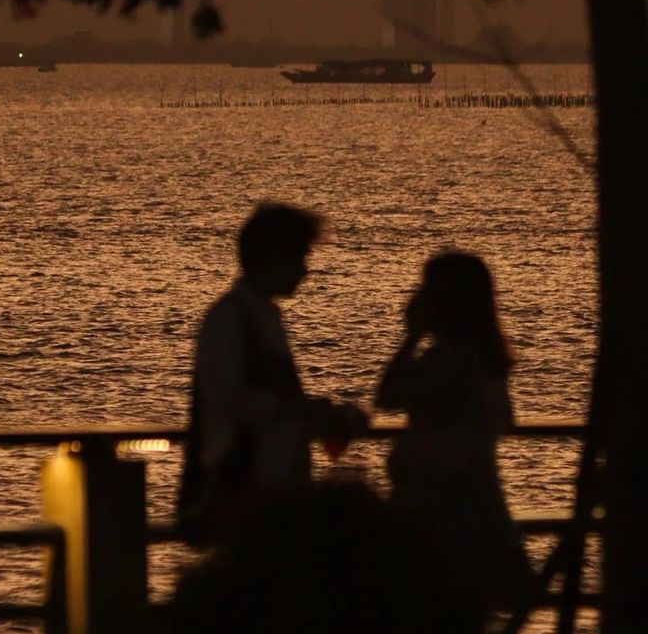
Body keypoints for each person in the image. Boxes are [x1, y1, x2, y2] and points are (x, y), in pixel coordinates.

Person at [177, 202, 364, 540]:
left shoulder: (263, 317)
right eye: (300, 257)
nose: (305, 271)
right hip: (246, 488)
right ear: (274, 257)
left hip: (275, 486)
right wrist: (297, 411)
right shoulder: (230, 318)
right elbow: (225, 399)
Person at [375, 250, 533, 611]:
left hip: (446, 518)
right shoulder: (487, 359)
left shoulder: (450, 357)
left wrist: (410, 336)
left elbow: (388, 396)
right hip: (478, 509)